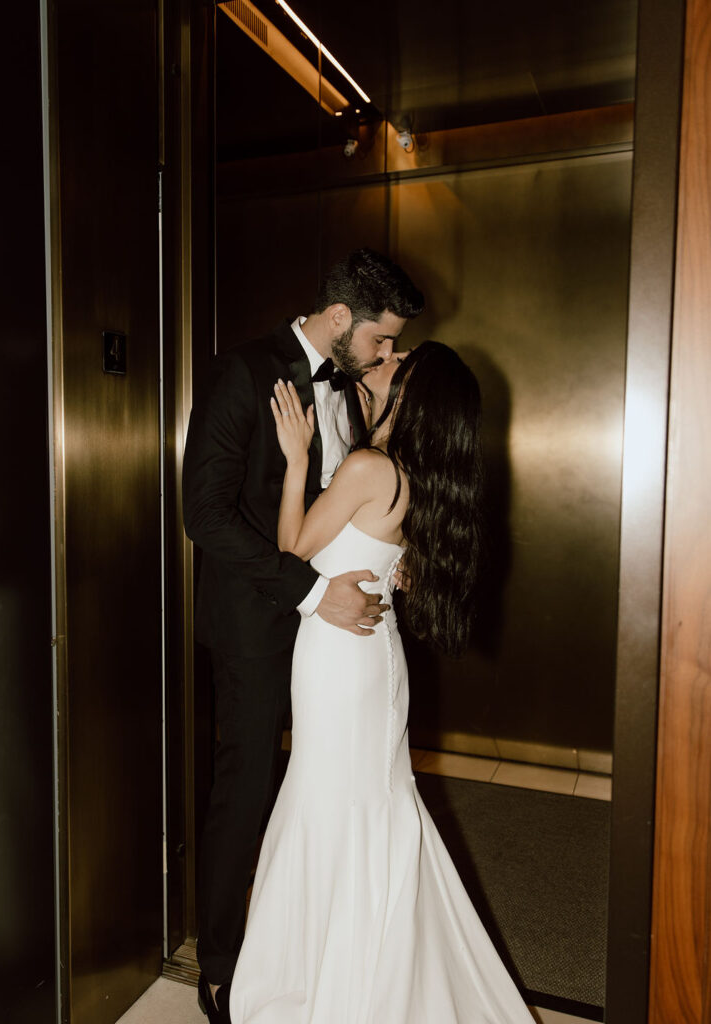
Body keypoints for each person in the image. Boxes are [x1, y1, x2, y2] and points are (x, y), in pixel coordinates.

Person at [228, 342, 535, 1023]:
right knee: (367, 806)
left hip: (340, 660)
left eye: (398, 364)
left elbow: (290, 555)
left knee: (331, 804)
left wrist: (298, 461)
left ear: (411, 395)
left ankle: (331, 983)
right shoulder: (414, 476)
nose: (383, 362)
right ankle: (368, 969)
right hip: (374, 660)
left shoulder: (370, 468)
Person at [182, 249, 425, 1024]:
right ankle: (220, 967)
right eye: (382, 339)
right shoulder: (241, 373)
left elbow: (344, 503)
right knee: (247, 789)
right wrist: (315, 592)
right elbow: (205, 516)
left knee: (327, 788)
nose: (389, 355)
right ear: (339, 319)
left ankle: (322, 944)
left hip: (334, 640)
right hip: (258, 625)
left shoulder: (354, 394)